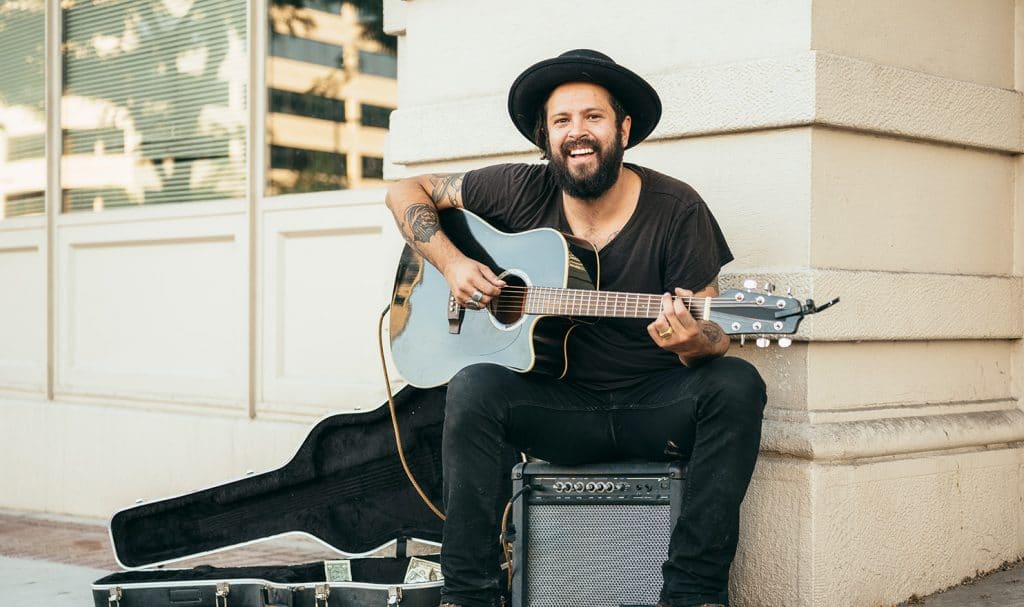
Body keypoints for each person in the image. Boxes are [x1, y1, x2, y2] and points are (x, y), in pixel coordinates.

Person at [385, 49, 766, 607]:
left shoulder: (677, 208)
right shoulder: (518, 189)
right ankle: (469, 595)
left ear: (624, 128)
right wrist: (453, 264)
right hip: (556, 406)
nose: (577, 133)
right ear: (546, 135)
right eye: (562, 120)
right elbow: (404, 191)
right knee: (474, 387)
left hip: (651, 406)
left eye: (593, 117)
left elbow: (713, 332)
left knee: (736, 384)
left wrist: (694, 343)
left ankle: (692, 593)